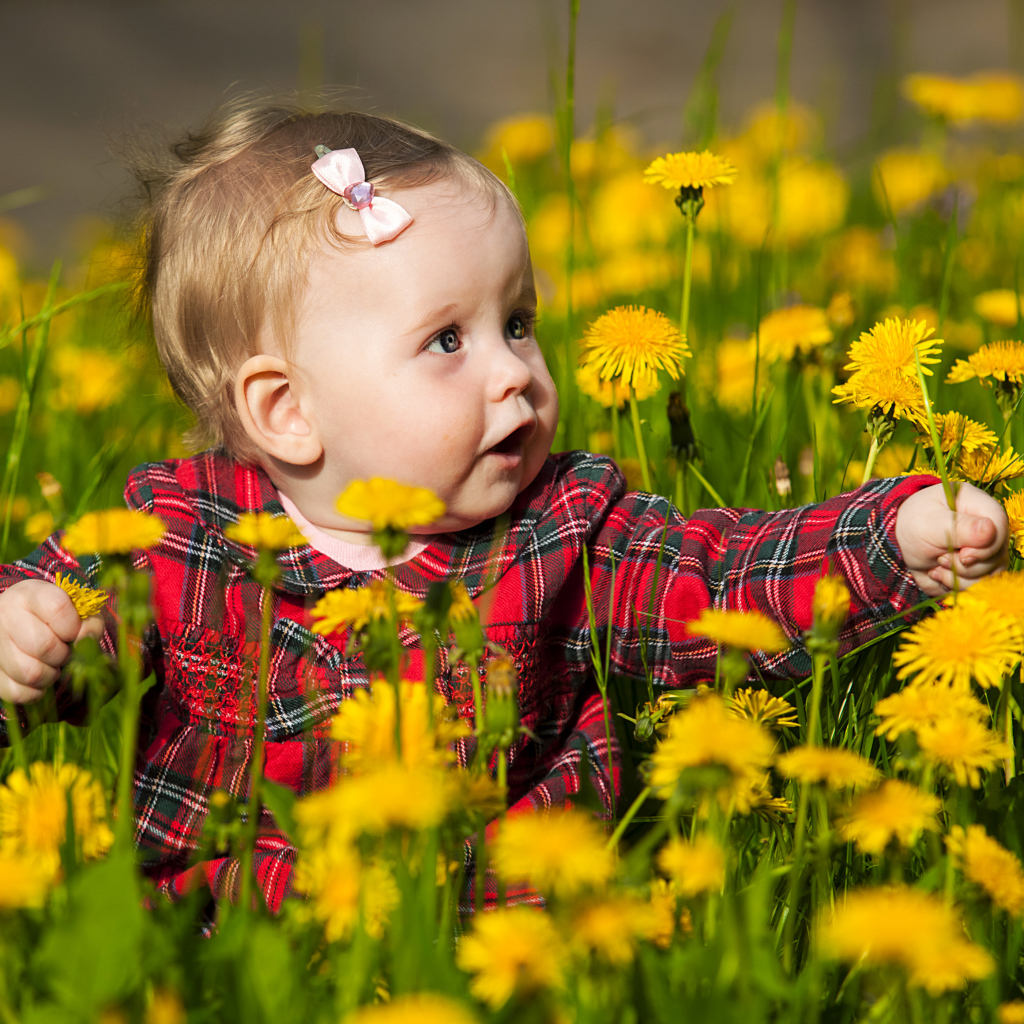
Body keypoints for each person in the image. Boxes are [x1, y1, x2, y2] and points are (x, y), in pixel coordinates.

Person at [0, 103, 1008, 913]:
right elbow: (51, 658)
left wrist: (892, 538)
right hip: (223, 948)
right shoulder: (168, 537)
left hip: (507, 942)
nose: (514, 375)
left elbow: (723, 573)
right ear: (286, 409)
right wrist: (22, 634)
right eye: (448, 341)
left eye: (516, 321)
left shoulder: (564, 528)